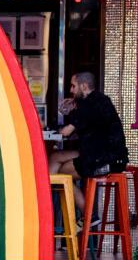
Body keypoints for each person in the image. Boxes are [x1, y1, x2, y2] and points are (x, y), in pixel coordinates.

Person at [48, 72, 129, 215]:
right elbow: (84, 127)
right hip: (102, 153)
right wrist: (73, 109)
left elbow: (66, 132)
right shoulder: (98, 100)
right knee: (54, 158)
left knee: (61, 175)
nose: (71, 90)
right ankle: (50, 208)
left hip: (104, 160)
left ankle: (88, 215)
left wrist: (66, 116)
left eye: (73, 86)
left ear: (84, 86)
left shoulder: (89, 104)